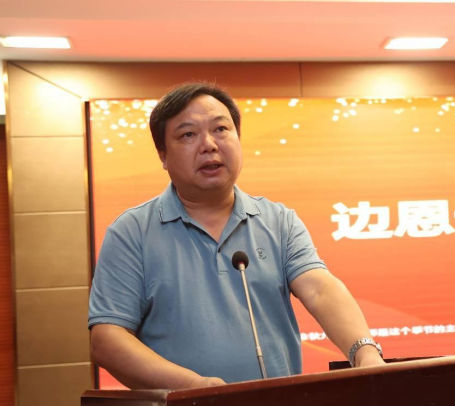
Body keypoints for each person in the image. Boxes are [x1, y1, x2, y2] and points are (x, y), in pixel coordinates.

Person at [88, 82, 384, 389]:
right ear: (163, 155)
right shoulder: (131, 232)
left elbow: (320, 289)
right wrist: (196, 387)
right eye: (188, 134)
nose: (209, 144)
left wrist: (365, 352)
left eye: (220, 129)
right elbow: (108, 339)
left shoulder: (278, 221)